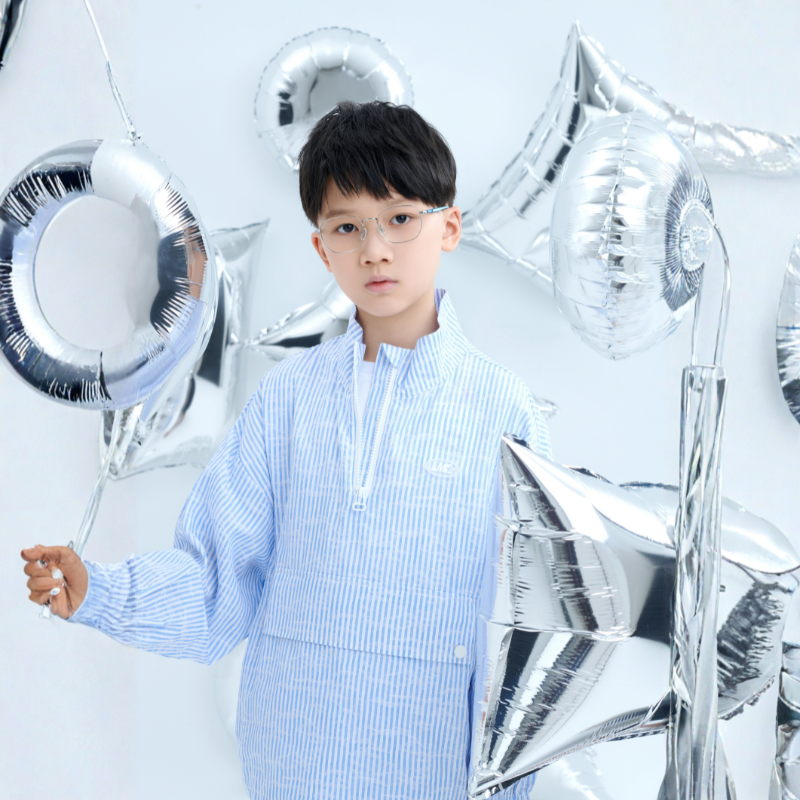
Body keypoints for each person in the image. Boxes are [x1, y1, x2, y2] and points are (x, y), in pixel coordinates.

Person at [21, 101, 552, 799]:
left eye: (399, 219)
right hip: (294, 767)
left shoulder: (502, 409)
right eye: (347, 227)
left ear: (448, 226)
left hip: (436, 770)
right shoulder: (289, 400)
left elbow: (532, 633)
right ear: (322, 249)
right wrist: (101, 591)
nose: (375, 249)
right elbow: (216, 582)